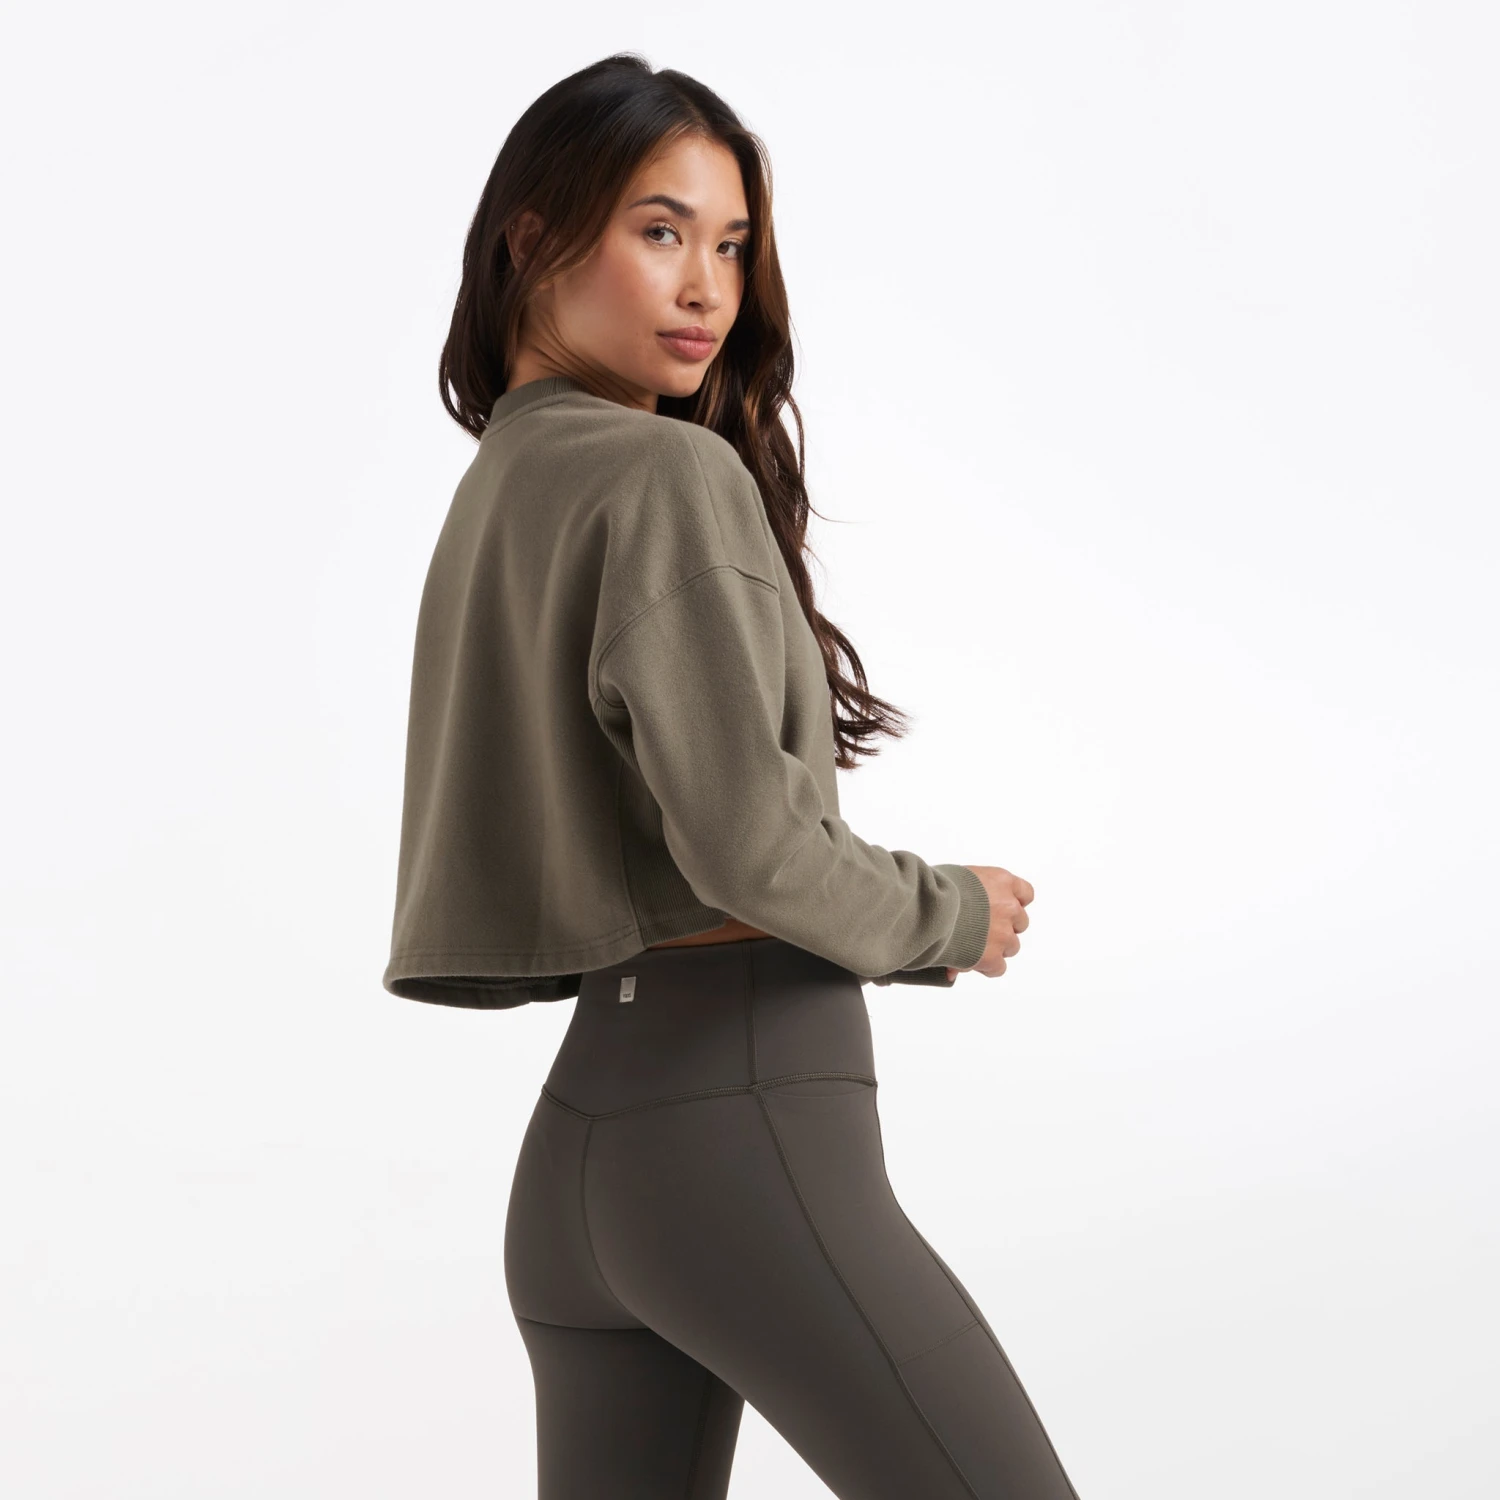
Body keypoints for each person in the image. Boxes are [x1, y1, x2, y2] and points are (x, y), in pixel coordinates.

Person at [381, 51, 1081, 1500]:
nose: (708, 287)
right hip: (740, 1132)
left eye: (733, 245)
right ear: (532, 239)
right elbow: (750, 849)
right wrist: (950, 913)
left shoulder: (499, 490)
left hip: (581, 1160)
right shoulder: (666, 477)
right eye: (660, 231)